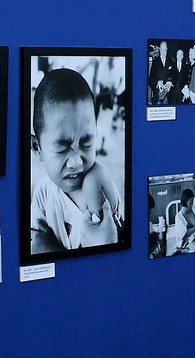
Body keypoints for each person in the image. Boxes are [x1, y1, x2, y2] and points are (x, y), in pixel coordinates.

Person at [29, 67, 124, 253]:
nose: (76, 162)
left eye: (87, 143)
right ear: (36, 148)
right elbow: (36, 243)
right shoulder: (42, 192)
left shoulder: (95, 181)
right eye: (62, 148)